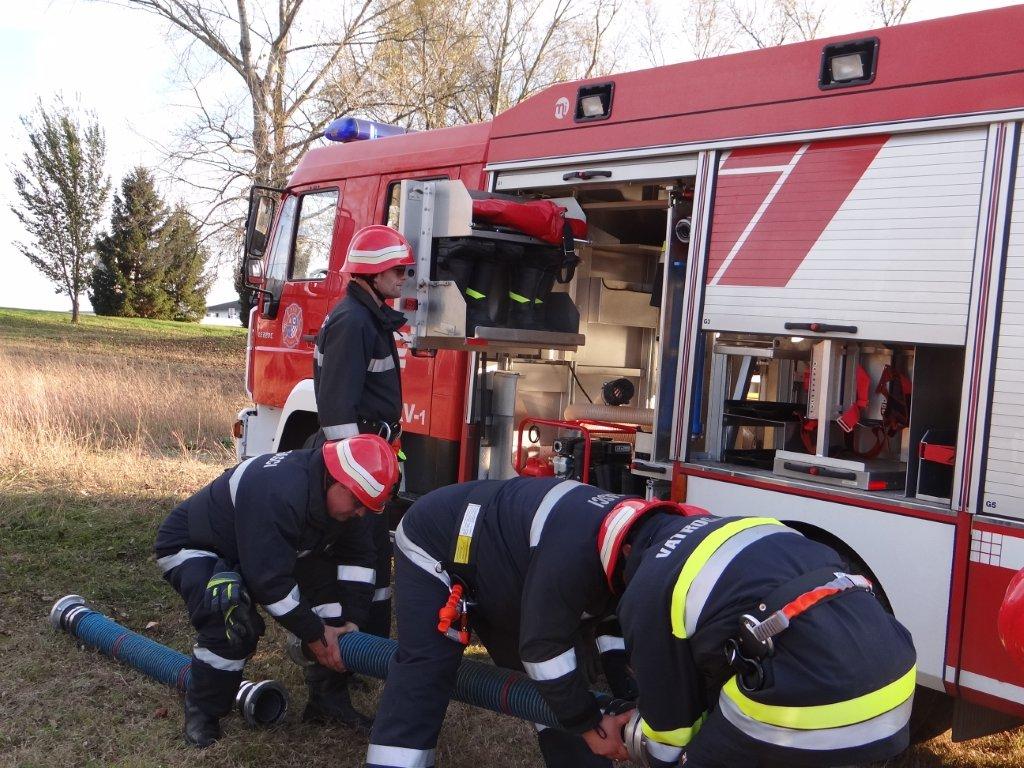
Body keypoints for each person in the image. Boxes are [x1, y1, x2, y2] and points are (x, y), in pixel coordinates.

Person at [364, 477, 681, 768]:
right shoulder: (573, 553)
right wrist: (589, 723)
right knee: (427, 668)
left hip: (509, 576)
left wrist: (629, 698)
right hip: (436, 544)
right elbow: (543, 650)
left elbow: (613, 626)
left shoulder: (629, 545)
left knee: (559, 685)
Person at [602, 506, 917, 768]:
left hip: (822, 698)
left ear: (627, 554)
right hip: (896, 685)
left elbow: (672, 736)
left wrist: (639, 741)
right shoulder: (754, 528)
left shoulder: (647, 589)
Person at [153, 434, 399, 747]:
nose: (360, 514)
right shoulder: (279, 491)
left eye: (367, 508)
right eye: (357, 504)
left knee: (333, 612)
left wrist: (350, 621)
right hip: (200, 546)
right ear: (335, 480)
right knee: (230, 617)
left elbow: (359, 559)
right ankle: (203, 712)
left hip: (268, 549)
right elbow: (269, 582)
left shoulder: (348, 497)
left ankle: (327, 702)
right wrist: (314, 634)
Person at [313, 224, 414, 641]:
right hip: (356, 466)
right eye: (399, 270)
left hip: (369, 459)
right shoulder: (353, 322)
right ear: (374, 273)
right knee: (355, 559)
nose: (405, 277)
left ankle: (370, 650)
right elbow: (337, 411)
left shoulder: (369, 318)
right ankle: (342, 658)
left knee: (374, 557)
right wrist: (355, 481)